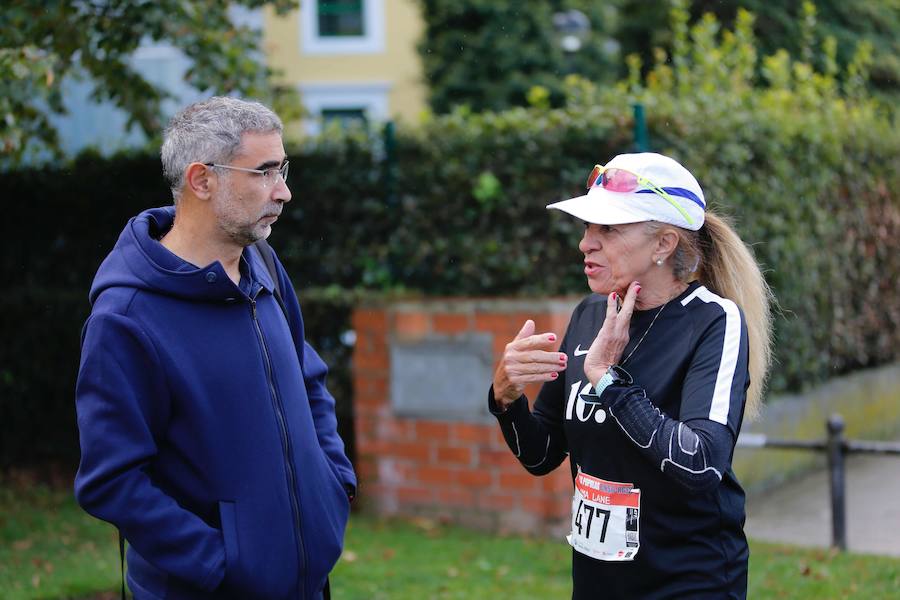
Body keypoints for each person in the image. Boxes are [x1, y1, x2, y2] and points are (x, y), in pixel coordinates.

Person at [74, 96, 356, 600]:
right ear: (202, 180)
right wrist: (222, 567)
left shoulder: (264, 265)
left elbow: (308, 377)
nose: (285, 192)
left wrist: (333, 487)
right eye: (265, 172)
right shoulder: (125, 317)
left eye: (283, 169)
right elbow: (111, 479)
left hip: (307, 582)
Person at [489, 152, 773, 599]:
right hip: (598, 583)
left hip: (687, 581)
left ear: (663, 244)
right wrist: (506, 398)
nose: (586, 243)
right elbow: (541, 454)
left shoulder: (714, 321)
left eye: (608, 229)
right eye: (587, 227)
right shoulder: (588, 315)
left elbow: (700, 463)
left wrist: (607, 379)